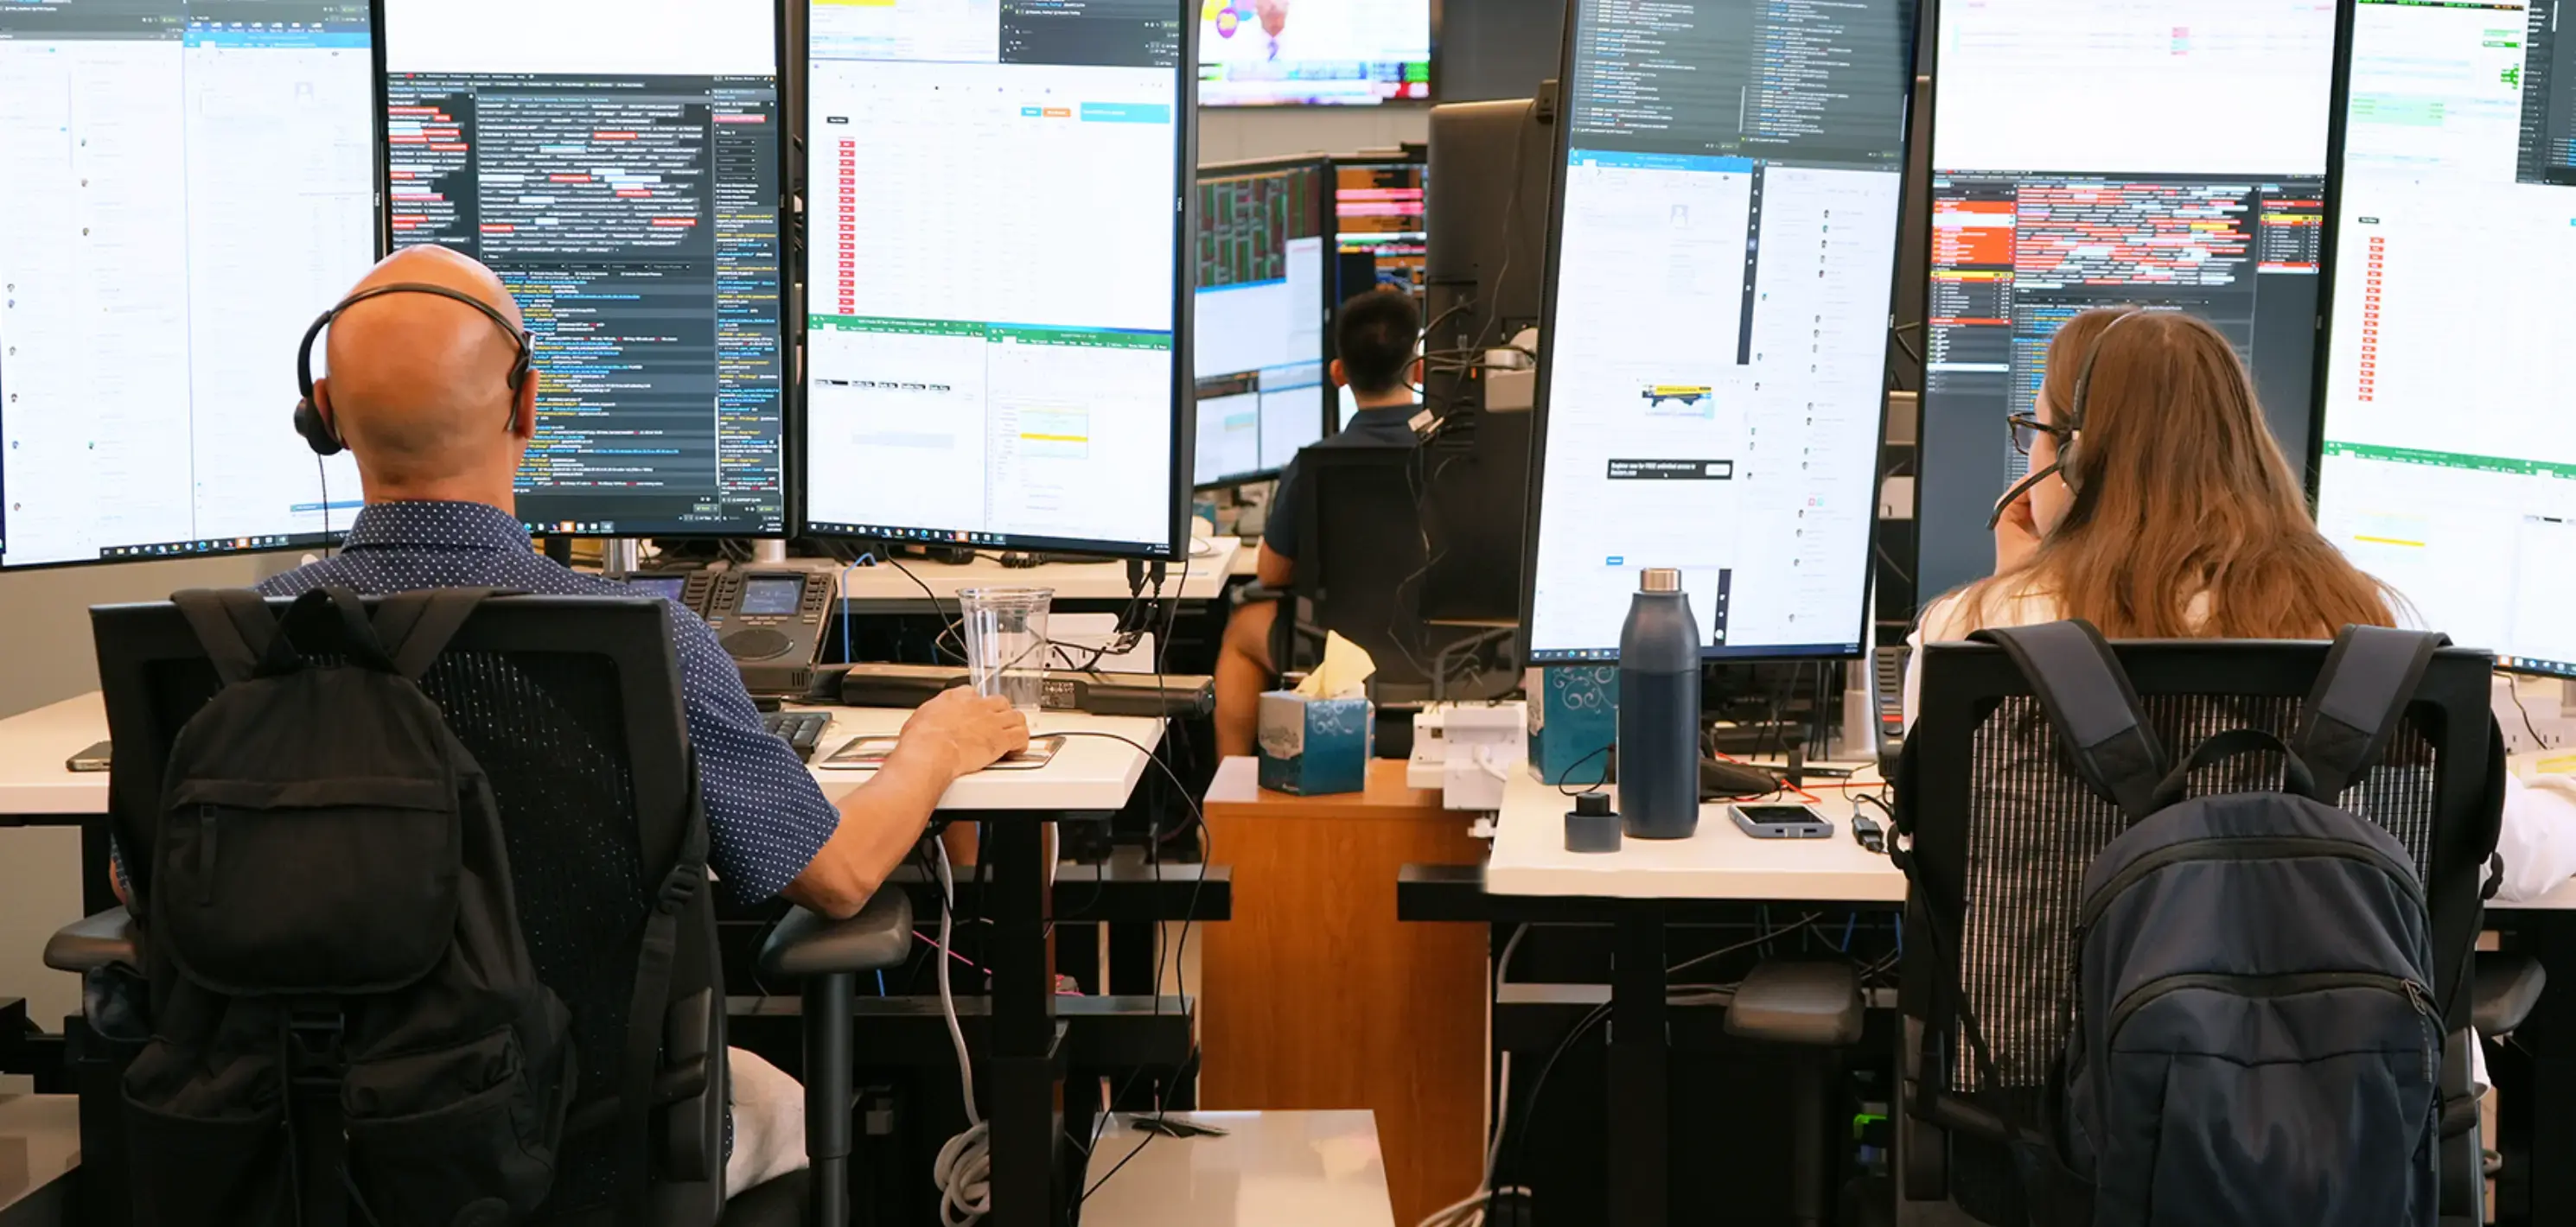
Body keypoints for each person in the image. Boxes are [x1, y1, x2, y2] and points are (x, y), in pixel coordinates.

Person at [261, 245, 1030, 1192]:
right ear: (528, 405)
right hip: (577, 1145)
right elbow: (835, 877)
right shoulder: (637, 641)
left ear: (325, 414)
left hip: (305, 1146)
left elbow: (148, 889)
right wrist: (932, 747)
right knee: (782, 1108)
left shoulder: (235, 651)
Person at [1905, 306, 2576, 905]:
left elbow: (1947, 831)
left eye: (2037, 431)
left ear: (2073, 460)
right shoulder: (2361, 633)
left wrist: (2007, 598)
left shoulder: (1968, 639)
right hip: (2324, 1043)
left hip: (2049, 1043)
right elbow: (2505, 858)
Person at [1214, 287, 1423, 757]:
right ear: (1421, 368)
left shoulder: (1314, 465)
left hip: (1335, 657)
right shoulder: (1455, 458)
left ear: (1338, 374)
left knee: (1242, 629)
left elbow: (1271, 573)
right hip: (1442, 655)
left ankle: (1228, 801)